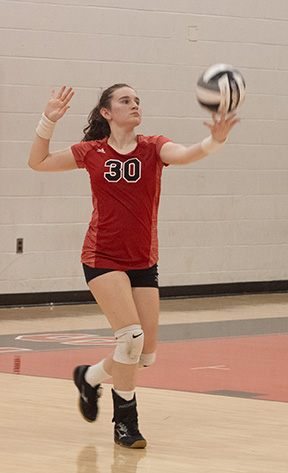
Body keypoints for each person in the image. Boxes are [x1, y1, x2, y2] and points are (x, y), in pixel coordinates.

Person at [28, 84, 239, 449]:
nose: (134, 104)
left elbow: (186, 153)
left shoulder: (153, 146)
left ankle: (90, 376)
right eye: (125, 100)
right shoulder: (91, 152)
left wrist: (214, 142)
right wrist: (49, 119)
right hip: (102, 257)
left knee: (145, 354)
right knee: (130, 338)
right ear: (107, 113)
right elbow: (38, 162)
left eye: (137, 100)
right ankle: (126, 424)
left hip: (143, 260)